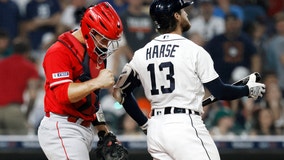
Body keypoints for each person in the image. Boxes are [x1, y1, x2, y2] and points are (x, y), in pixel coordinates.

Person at [112, 0, 266, 159]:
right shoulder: (194, 50)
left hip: (156, 129)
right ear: (177, 16)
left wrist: (144, 123)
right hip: (184, 126)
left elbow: (119, 92)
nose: (186, 14)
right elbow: (219, 91)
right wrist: (247, 90)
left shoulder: (141, 54)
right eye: (183, 11)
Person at [37, 2, 124, 160]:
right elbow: (64, 94)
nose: (107, 45)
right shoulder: (58, 52)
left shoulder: (96, 53)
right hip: (63, 127)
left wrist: (103, 131)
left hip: (84, 128)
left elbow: (92, 101)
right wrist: (97, 82)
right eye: (104, 39)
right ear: (89, 31)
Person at [0, 37, 40, 135]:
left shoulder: (1, 64)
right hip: (13, 111)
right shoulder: (30, 68)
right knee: (23, 144)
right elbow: (32, 96)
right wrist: (26, 115)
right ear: (27, 52)